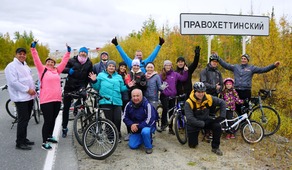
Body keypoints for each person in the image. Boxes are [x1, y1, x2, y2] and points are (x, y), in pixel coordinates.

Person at [30, 41, 71, 150]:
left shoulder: (57, 71)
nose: (50, 63)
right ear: (45, 63)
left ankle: (49, 136)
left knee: (53, 119)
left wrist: (68, 52)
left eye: (52, 62)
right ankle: (44, 142)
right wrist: (33, 49)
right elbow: (36, 59)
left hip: (57, 99)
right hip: (46, 100)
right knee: (47, 121)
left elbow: (64, 62)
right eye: (48, 61)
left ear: (54, 63)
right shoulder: (42, 70)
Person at [89, 60, 134, 142]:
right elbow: (97, 87)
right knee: (109, 120)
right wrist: (94, 81)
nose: (111, 67)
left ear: (115, 67)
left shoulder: (119, 77)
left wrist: (127, 86)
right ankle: (110, 137)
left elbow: (121, 89)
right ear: (107, 67)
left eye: (113, 66)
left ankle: (117, 135)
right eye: (110, 66)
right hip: (105, 101)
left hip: (117, 101)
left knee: (117, 119)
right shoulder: (101, 75)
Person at [5, 47, 36, 150]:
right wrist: (27, 89)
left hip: (28, 97)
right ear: (16, 54)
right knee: (22, 120)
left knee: (26, 119)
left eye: (24, 54)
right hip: (20, 97)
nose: (22, 55)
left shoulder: (25, 65)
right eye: (20, 54)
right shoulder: (11, 66)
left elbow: (29, 79)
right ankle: (19, 142)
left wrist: (33, 89)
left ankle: (24, 138)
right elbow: (13, 82)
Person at [184, 82, 226, 156]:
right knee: (192, 146)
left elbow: (222, 102)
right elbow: (190, 118)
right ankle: (195, 138)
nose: (201, 94)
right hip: (194, 123)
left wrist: (222, 116)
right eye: (199, 92)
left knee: (217, 126)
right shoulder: (189, 102)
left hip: (206, 119)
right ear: (194, 91)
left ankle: (215, 148)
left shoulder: (208, 98)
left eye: (202, 92)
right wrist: (201, 124)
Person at [61, 46, 93, 137]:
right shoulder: (72, 60)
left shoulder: (89, 63)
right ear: (79, 53)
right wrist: (69, 70)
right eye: (82, 52)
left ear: (87, 54)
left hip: (81, 86)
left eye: (85, 52)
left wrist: (93, 82)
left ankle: (89, 124)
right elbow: (62, 68)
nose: (83, 53)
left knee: (85, 101)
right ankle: (64, 127)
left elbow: (90, 75)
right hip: (69, 86)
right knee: (66, 108)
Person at [123, 89, 158, 154]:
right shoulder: (128, 105)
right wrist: (131, 125)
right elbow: (125, 117)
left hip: (147, 126)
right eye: (133, 96)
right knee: (132, 146)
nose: (135, 98)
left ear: (141, 96)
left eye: (137, 96)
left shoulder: (148, 105)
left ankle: (148, 146)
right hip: (136, 128)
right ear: (131, 97)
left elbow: (150, 120)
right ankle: (143, 138)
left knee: (145, 131)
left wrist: (138, 126)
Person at [157, 60, 188, 134]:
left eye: (169, 65)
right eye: (166, 65)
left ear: (171, 66)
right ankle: (163, 124)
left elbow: (183, 78)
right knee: (165, 109)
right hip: (164, 96)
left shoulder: (175, 74)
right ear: (164, 66)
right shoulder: (160, 75)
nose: (168, 67)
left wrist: (185, 71)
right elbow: (158, 86)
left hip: (173, 96)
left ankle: (170, 128)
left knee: (172, 112)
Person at [200, 54, 224, 140]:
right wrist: (214, 86)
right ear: (210, 62)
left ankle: (210, 131)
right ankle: (206, 133)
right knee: (206, 114)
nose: (215, 63)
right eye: (213, 61)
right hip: (205, 95)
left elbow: (221, 84)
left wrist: (220, 89)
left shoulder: (218, 72)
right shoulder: (204, 71)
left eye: (216, 62)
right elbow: (203, 83)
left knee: (212, 114)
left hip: (215, 95)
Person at [117, 61, 132, 141]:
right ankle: (118, 132)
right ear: (119, 67)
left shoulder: (127, 75)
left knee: (127, 115)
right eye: (121, 66)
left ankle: (129, 132)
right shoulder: (115, 74)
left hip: (125, 97)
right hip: (117, 97)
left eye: (124, 67)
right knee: (117, 117)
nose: (123, 68)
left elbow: (129, 86)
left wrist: (127, 80)